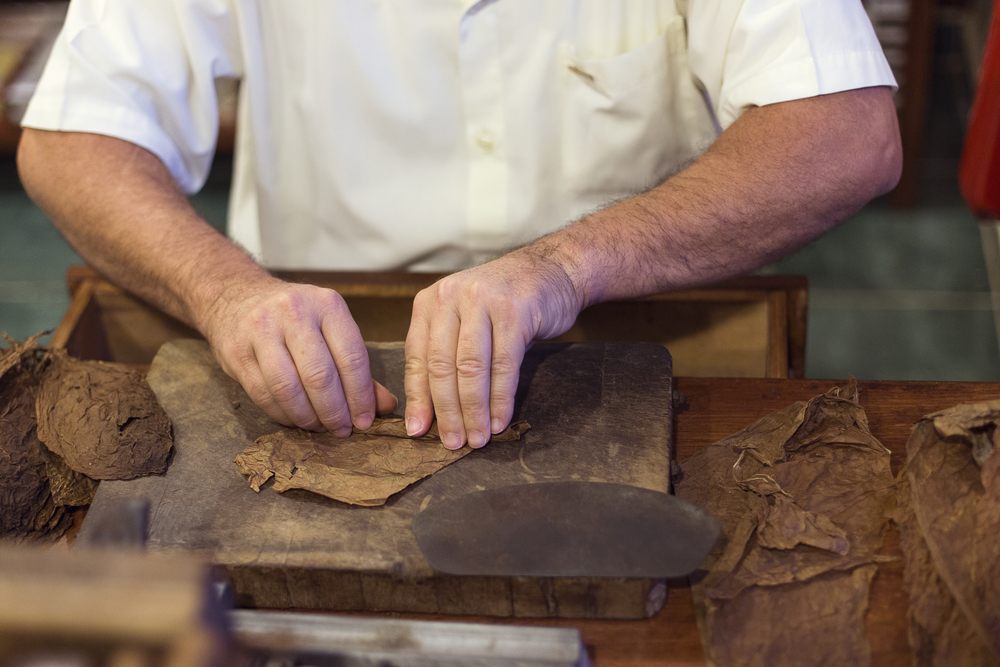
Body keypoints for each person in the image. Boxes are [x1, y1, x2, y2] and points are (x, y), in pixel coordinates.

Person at [17, 0, 902, 451]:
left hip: (640, 316)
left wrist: (561, 267)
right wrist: (226, 292)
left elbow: (846, 131)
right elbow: (73, 140)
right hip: (316, 340)